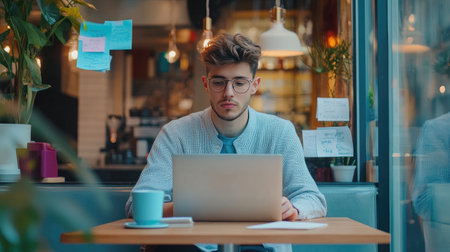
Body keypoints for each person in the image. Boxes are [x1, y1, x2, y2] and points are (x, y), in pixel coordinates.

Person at [125, 33, 327, 252]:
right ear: (206, 84)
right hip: (192, 248)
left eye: (239, 83)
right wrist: (193, 207)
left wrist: (293, 207)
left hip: (260, 247)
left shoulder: (280, 132)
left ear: (254, 85)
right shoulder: (175, 134)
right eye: (219, 82)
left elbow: (313, 199)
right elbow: (135, 207)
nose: (228, 93)